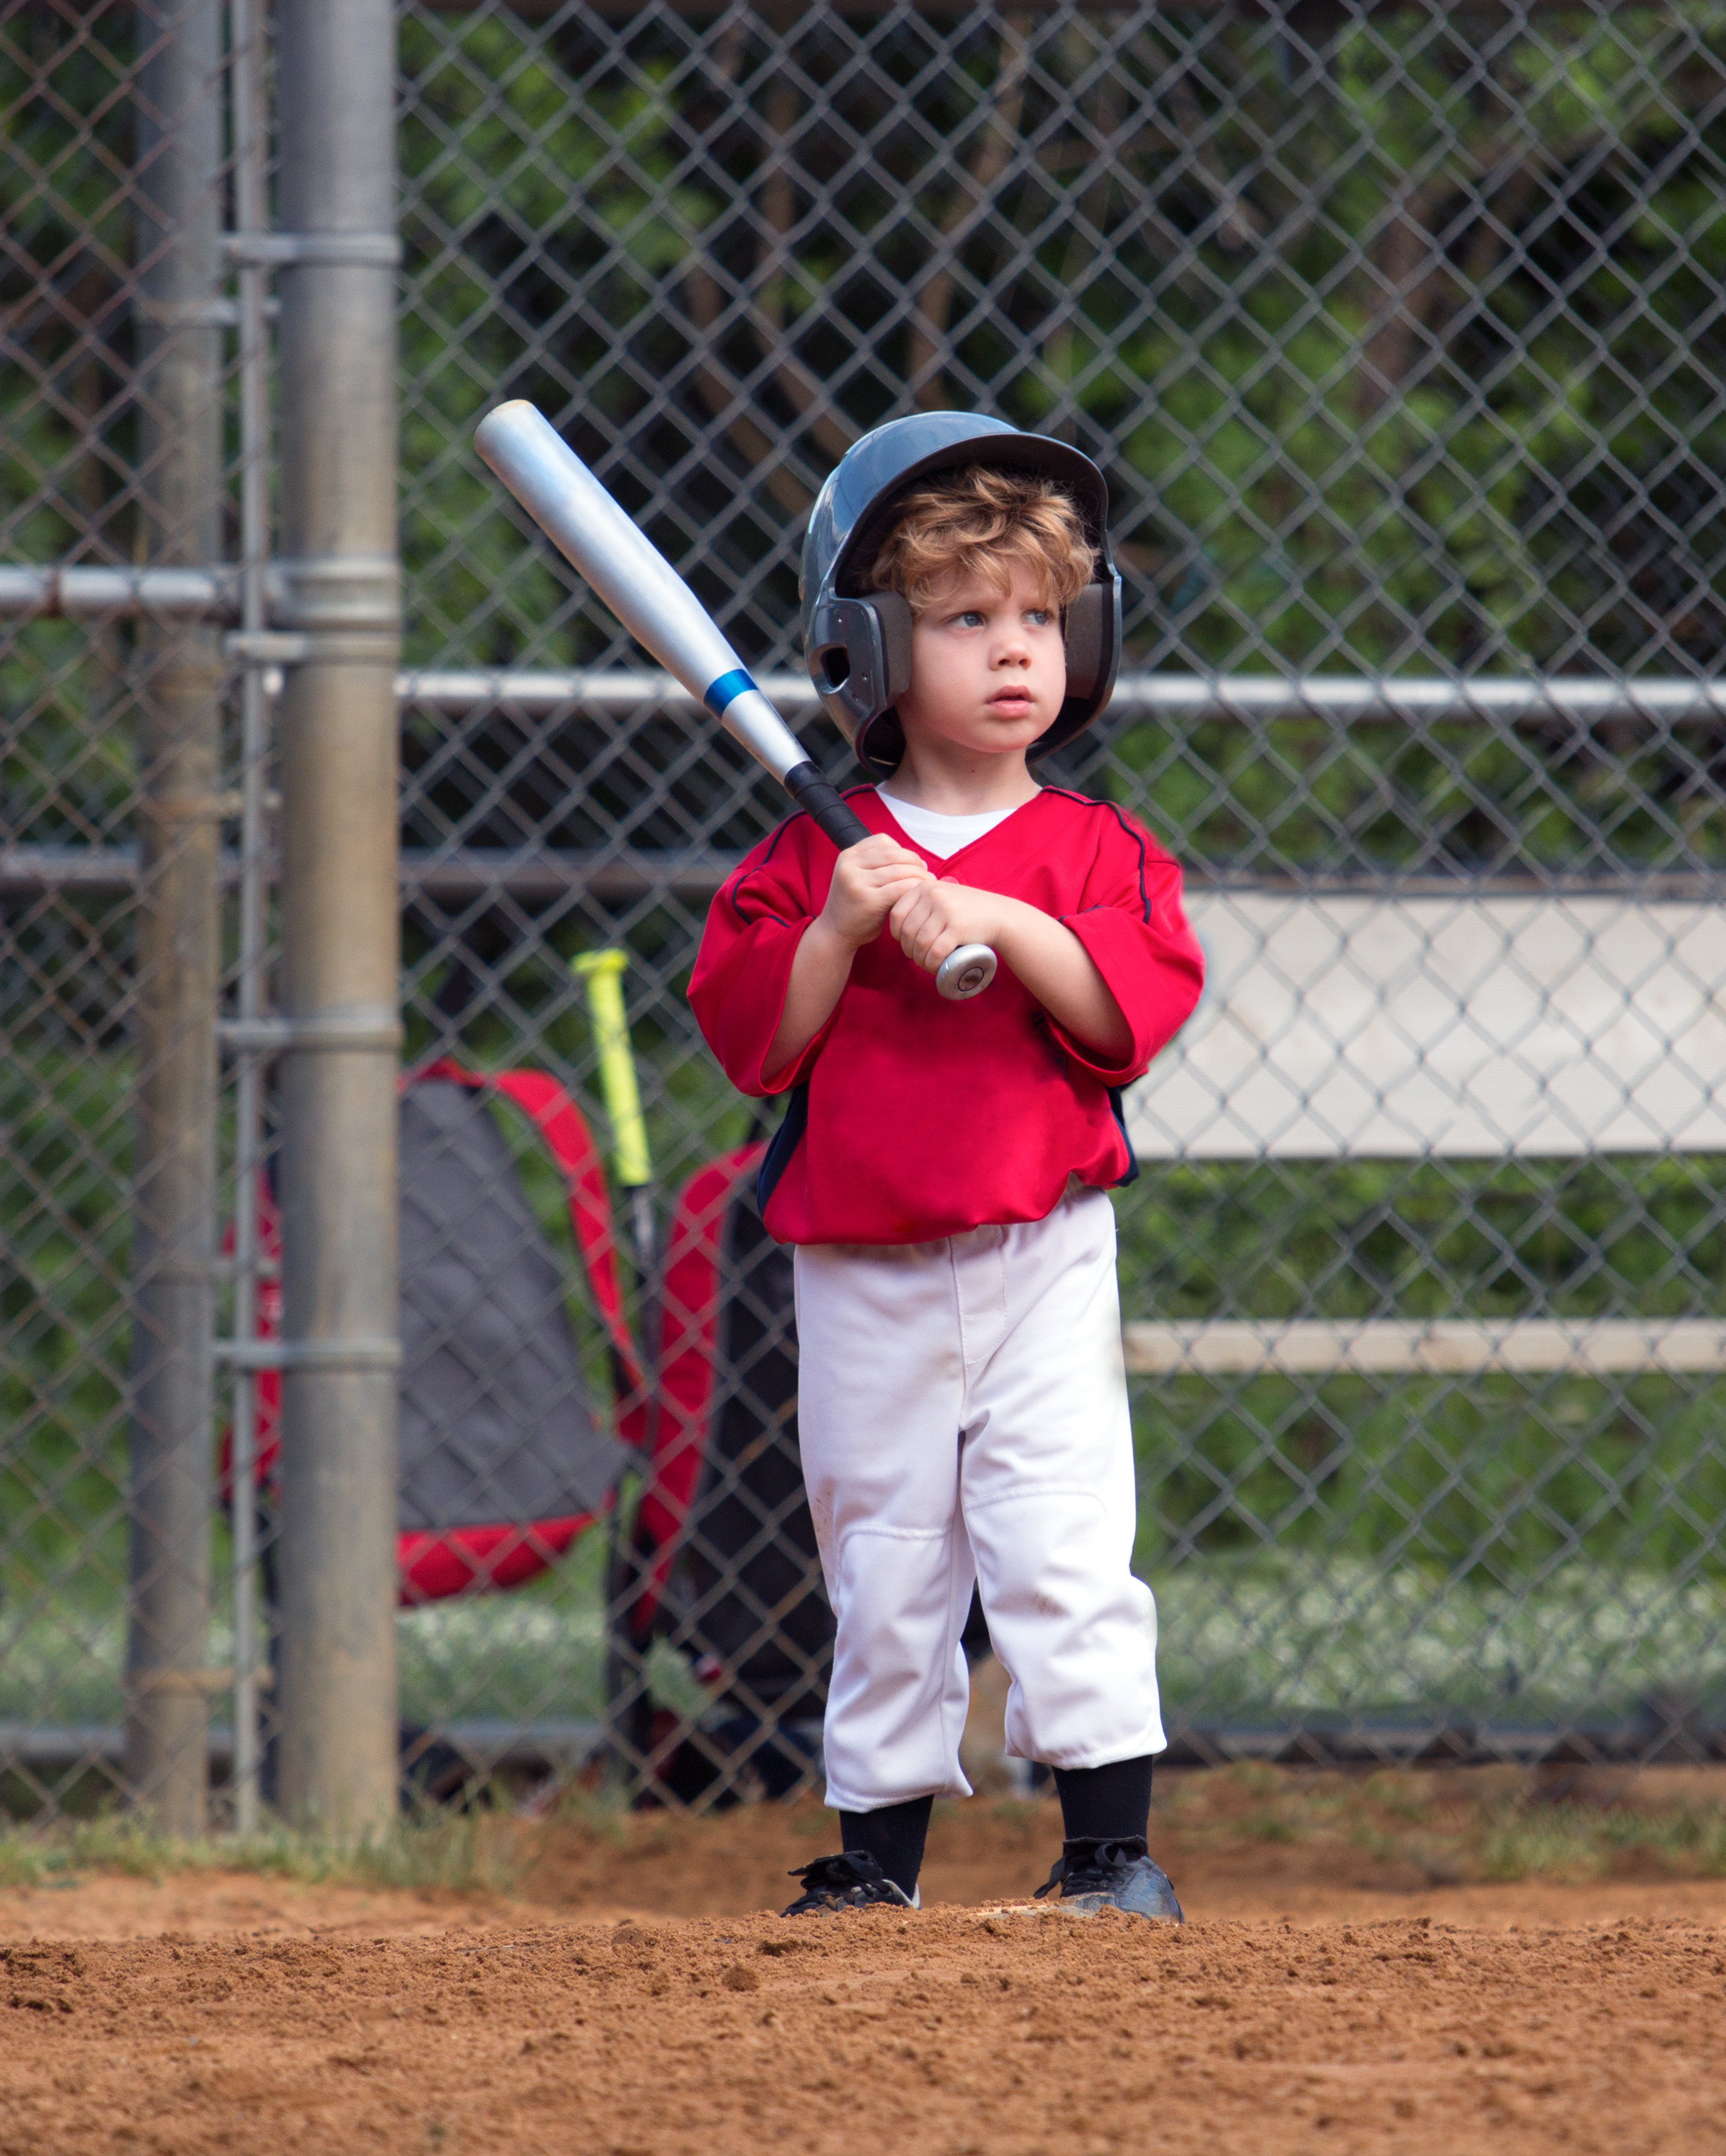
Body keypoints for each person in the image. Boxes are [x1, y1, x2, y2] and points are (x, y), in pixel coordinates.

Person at [687, 415, 1202, 1918]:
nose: (1012, 649)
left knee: (1063, 1542)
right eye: (964, 618)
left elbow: (1125, 1008)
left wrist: (1006, 920)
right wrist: (845, 930)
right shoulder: (811, 864)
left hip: (1043, 1254)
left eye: (1040, 616)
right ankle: (874, 1862)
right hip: (861, 1265)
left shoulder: (1099, 852)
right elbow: (759, 1048)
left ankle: (1108, 1851)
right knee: (885, 1556)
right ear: (866, 651)